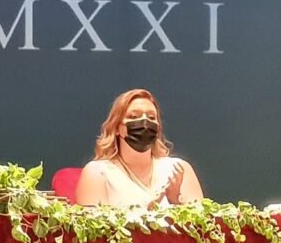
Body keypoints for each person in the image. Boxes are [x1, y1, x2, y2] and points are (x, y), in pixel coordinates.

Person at [74, 89, 203, 208]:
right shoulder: (97, 172)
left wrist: (175, 201)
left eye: (152, 117)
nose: (145, 122)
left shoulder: (179, 169)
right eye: (134, 117)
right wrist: (150, 210)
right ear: (117, 127)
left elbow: (202, 228)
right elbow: (96, 230)